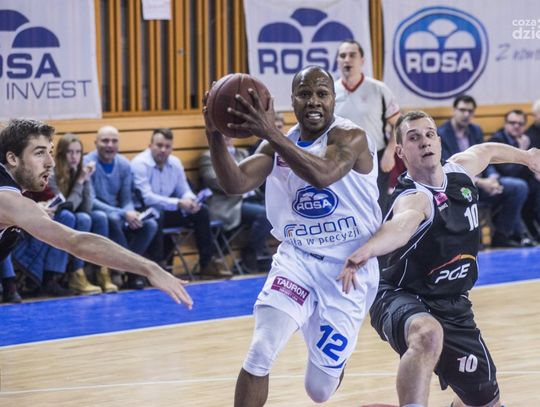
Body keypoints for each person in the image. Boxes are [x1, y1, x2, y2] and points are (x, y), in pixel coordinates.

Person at [204, 66, 381, 406]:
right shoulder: (276, 144)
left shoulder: (351, 137)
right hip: (296, 260)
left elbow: (323, 175)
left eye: (321, 94)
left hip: (348, 268)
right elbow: (235, 183)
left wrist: (272, 133)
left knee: (319, 390)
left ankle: (328, 353)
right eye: (304, 94)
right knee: (260, 351)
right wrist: (213, 133)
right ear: (292, 100)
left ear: (334, 99)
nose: (313, 101)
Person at [338, 111, 540, 407]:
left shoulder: (460, 170)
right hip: (399, 294)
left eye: (429, 134)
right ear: (400, 152)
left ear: (439, 141)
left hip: (453, 303)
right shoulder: (414, 197)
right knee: (427, 334)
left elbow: (487, 151)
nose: (424, 142)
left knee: (485, 402)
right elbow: (401, 226)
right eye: (414, 137)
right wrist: (365, 252)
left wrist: (528, 157)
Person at [0, 118, 192, 308]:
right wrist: (149, 268)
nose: (50, 162)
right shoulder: (10, 200)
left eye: (50, 152)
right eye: (39, 153)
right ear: (12, 159)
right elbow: (77, 242)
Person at [130, 128, 231, 278]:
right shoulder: (139, 163)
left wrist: (191, 201)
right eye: (159, 145)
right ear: (150, 145)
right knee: (157, 214)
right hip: (144, 211)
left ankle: (207, 263)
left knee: (201, 211)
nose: (163, 150)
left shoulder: (175, 162)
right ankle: (158, 266)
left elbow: (183, 189)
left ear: (172, 148)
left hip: (168, 208)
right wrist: (178, 203)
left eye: (167, 146)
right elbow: (147, 198)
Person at [438, 95, 532, 247]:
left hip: (483, 183)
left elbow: (487, 158)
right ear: (454, 111)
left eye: (470, 111)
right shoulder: (442, 134)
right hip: (458, 186)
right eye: (462, 110)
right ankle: (469, 239)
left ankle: (502, 235)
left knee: (519, 187)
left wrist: (493, 178)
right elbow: (448, 169)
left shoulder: (476, 130)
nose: (466, 114)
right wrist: (481, 182)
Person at [84, 125, 159, 289]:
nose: (110, 145)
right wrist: (123, 213)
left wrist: (130, 212)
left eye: (114, 141)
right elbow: (91, 201)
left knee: (150, 224)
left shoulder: (124, 164)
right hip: (97, 212)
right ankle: (132, 271)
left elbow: (126, 199)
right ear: (96, 143)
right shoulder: (87, 163)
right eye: (105, 141)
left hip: (119, 213)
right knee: (111, 218)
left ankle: (125, 269)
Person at [334, 39, 401, 211]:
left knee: (376, 210)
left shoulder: (379, 89)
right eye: (343, 56)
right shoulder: (330, 92)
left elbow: (398, 124)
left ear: (362, 61)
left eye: (352, 55)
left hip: (375, 158)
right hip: (340, 160)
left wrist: (390, 152)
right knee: (345, 211)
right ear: (338, 61)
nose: (347, 59)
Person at [48, 133, 117, 293]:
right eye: (70, 152)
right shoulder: (52, 174)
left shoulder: (79, 170)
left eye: (78, 152)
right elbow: (65, 207)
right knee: (83, 218)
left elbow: (87, 206)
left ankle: (101, 271)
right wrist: (80, 181)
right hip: (57, 216)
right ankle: (76, 274)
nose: (74, 157)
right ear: (61, 153)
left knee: (100, 217)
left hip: (76, 215)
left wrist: (86, 180)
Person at [199, 135, 272, 273]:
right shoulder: (207, 157)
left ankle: (261, 253)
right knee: (266, 214)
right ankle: (250, 253)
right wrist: (240, 184)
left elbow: (256, 175)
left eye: (227, 132)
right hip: (231, 203)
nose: (225, 136)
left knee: (276, 209)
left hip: (254, 197)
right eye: (221, 133)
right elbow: (215, 182)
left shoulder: (243, 153)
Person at [490, 110, 540, 240]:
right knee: (520, 187)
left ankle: (533, 232)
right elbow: (508, 171)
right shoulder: (497, 141)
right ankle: (517, 235)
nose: (516, 126)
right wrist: (522, 151)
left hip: (523, 183)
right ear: (505, 124)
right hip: (500, 183)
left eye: (520, 124)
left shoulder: (526, 139)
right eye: (512, 123)